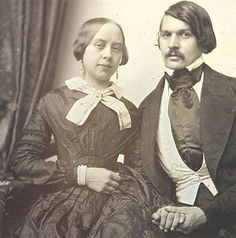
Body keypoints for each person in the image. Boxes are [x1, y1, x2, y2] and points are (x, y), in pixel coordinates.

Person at [9, 17, 166, 238]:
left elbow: (139, 168)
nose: (108, 55)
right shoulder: (54, 102)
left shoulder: (128, 110)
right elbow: (22, 160)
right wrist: (81, 175)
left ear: (122, 57)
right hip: (61, 201)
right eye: (99, 45)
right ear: (82, 49)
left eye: (116, 48)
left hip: (113, 202)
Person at [139, 1, 236, 238]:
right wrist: (162, 212)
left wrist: (206, 213)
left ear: (203, 39)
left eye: (185, 34)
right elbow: (142, 176)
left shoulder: (232, 92)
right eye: (166, 35)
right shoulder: (146, 107)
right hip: (176, 226)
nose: (172, 44)